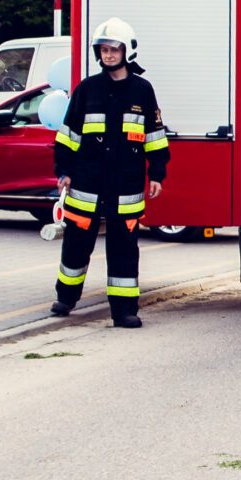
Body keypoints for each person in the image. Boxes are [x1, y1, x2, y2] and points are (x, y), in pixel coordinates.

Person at [48, 17, 168, 328]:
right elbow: (68, 135)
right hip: (86, 184)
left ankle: (124, 310)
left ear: (127, 51)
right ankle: (65, 297)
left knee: (124, 250)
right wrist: (64, 170)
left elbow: (155, 137)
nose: (109, 55)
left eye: (114, 49)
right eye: (103, 50)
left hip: (126, 186)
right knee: (76, 245)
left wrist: (157, 173)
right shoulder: (87, 89)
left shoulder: (142, 91)